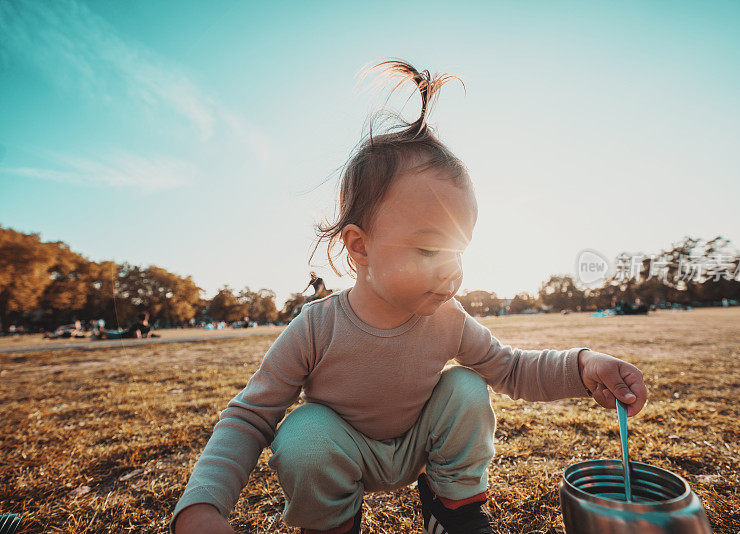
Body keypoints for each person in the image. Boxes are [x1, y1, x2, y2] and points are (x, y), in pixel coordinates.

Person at [170, 60, 648, 534]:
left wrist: (584, 366)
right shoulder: (316, 328)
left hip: (421, 445)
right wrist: (201, 506)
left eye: (459, 250)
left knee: (465, 387)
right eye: (427, 249)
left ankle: (451, 510)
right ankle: (333, 524)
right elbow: (251, 417)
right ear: (360, 246)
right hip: (345, 452)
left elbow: (513, 368)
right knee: (304, 434)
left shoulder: (447, 317)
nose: (451, 270)